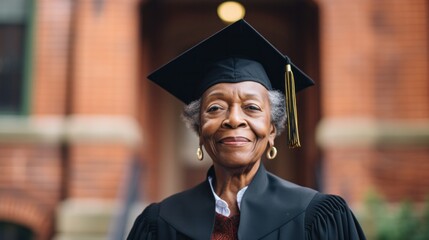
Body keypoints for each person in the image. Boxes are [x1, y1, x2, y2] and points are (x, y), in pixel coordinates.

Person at [127, 19, 366, 240]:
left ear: (272, 130)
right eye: (215, 108)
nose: (233, 119)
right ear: (200, 130)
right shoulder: (159, 224)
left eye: (251, 107)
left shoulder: (318, 218)